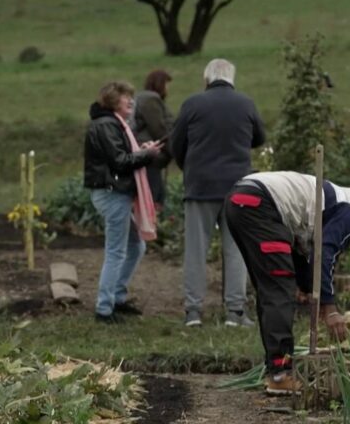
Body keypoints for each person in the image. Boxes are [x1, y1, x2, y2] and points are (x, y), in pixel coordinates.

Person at [223, 171, 350, 395]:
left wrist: (306, 287)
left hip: (242, 201)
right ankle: (280, 375)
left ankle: (275, 370)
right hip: (261, 205)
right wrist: (330, 310)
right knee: (278, 291)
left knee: (271, 289)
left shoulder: (329, 205)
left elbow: (306, 256)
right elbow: (325, 254)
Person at [171, 58, 266, 327]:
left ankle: (193, 312)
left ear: (207, 78)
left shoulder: (192, 104)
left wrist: (189, 167)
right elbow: (259, 138)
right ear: (232, 78)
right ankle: (235, 312)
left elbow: (177, 143)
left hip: (200, 187)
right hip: (237, 188)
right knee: (236, 249)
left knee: (195, 251)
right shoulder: (245, 103)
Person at [84, 81, 164, 324]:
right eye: (125, 98)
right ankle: (104, 308)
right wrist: (147, 155)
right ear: (112, 102)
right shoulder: (108, 125)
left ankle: (116, 296)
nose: (131, 101)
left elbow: (120, 156)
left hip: (115, 192)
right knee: (116, 251)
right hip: (112, 193)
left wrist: (141, 150)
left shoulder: (113, 124)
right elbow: (120, 161)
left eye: (131, 97)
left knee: (135, 246)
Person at [131, 69, 174, 208]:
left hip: (148, 155)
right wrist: (172, 149)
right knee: (154, 199)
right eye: (166, 84)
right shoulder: (151, 99)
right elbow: (158, 128)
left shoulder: (143, 98)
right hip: (151, 156)